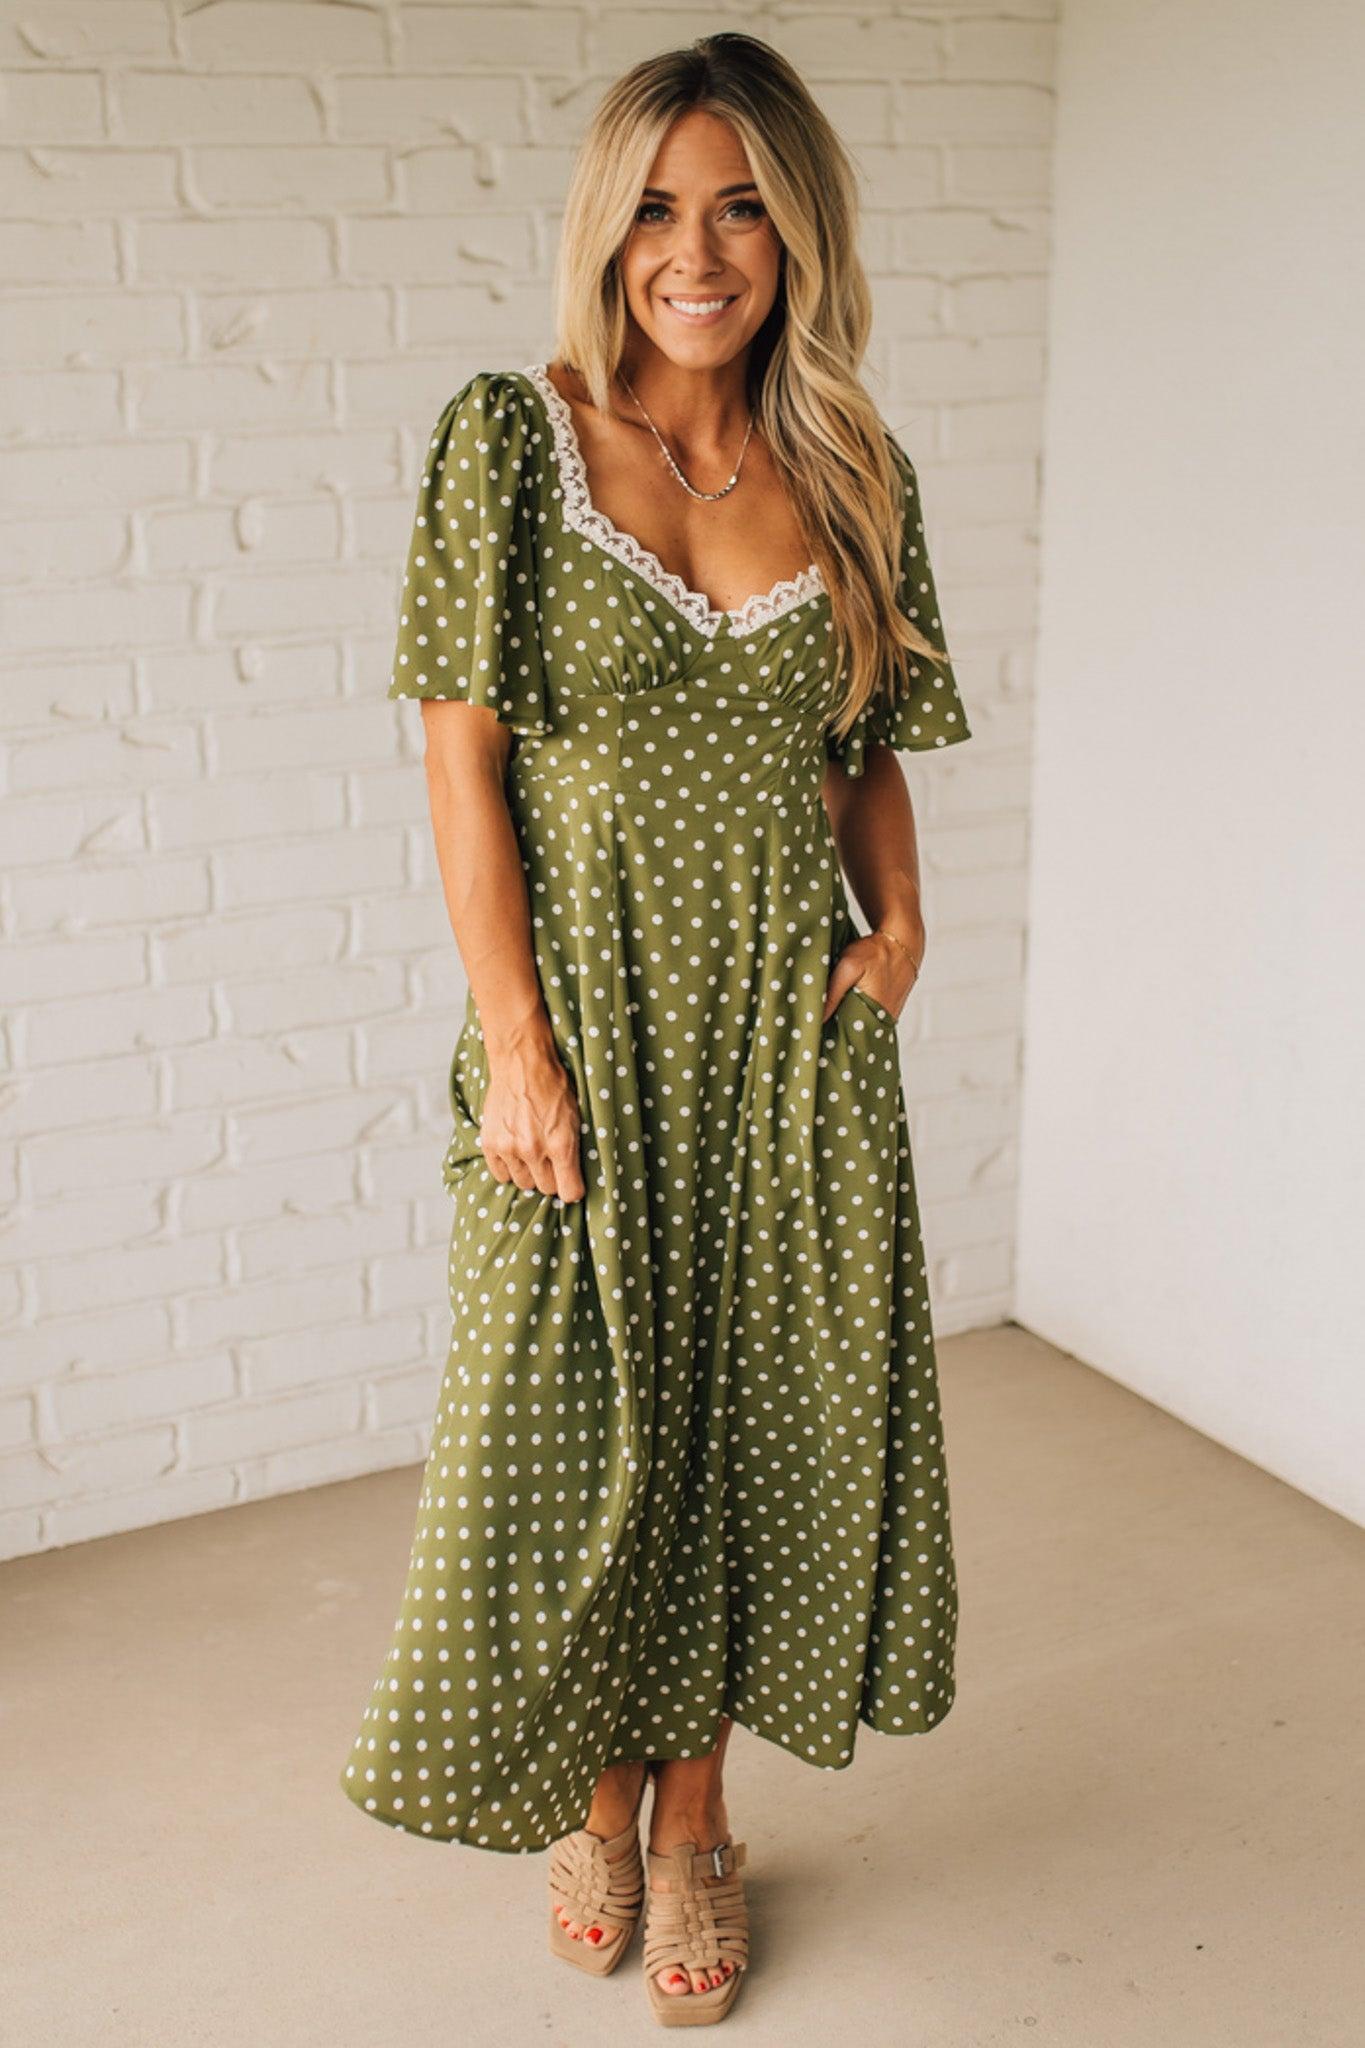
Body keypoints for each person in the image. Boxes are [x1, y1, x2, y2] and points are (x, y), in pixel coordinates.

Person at [339, 30, 972, 2029]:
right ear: (605, 227)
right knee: (565, 1431)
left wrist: (901, 928)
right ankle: (591, 1791)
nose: (694, 250)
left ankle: (693, 1811)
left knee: (749, 1423)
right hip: (588, 1033)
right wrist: (512, 1048)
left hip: (781, 1045)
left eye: (739, 208)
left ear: (796, 231)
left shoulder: (852, 470)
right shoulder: (506, 444)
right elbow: (461, 769)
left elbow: (864, 746)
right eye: (658, 206)